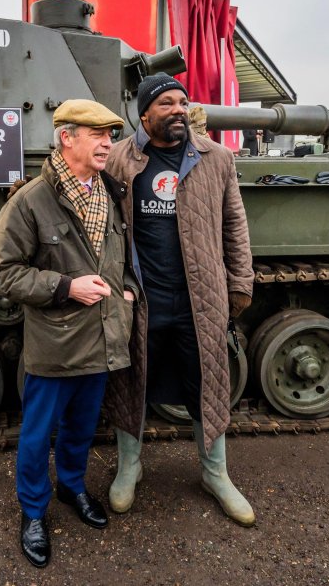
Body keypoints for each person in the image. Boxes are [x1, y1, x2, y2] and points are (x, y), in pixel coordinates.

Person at [0, 99, 138, 568]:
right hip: (55, 344)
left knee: (81, 428)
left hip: (103, 339)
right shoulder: (30, 201)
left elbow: (121, 258)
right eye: (98, 134)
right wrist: (65, 286)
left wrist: (128, 289)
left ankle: (72, 486)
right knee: (37, 435)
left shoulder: (109, 193)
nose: (109, 143)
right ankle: (33, 511)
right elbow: (4, 274)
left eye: (111, 135)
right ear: (66, 137)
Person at [103, 72, 256, 527]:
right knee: (133, 381)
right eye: (165, 103)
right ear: (144, 113)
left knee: (205, 381)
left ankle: (216, 474)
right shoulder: (118, 159)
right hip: (141, 296)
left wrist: (240, 282)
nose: (177, 110)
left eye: (182, 102)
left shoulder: (217, 159)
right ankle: (130, 466)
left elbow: (235, 224)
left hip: (199, 296)